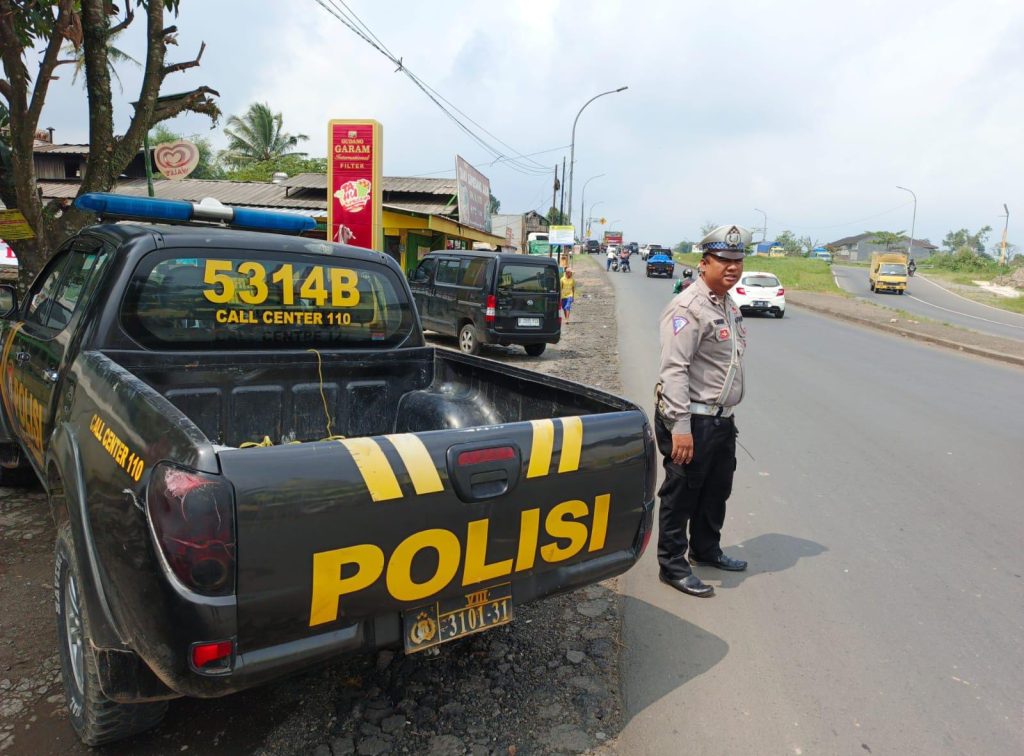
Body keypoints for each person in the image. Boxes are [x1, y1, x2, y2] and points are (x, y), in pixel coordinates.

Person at [654, 224, 752, 598]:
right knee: (682, 494)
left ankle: (706, 549)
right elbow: (674, 368)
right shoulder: (688, 307)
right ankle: (673, 566)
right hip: (691, 418)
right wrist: (680, 426)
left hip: (720, 420)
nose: (732, 267)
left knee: (716, 489)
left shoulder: (727, 305)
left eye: (737, 260)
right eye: (724, 260)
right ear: (704, 263)